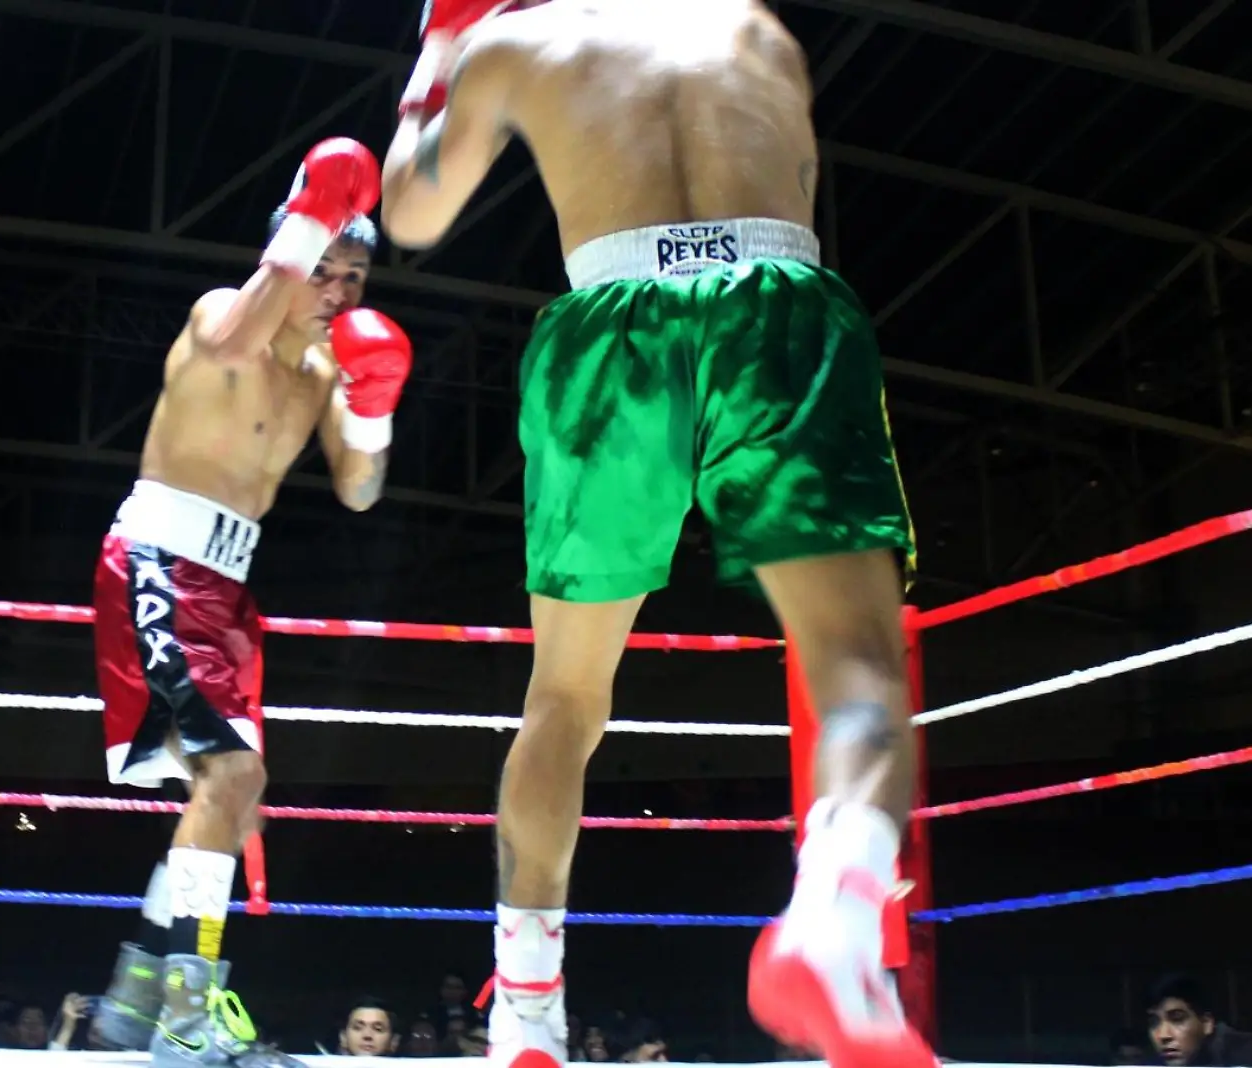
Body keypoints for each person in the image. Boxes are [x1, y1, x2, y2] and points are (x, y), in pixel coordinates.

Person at [378, 4, 926, 1068]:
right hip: (774, 303)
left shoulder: (512, 45)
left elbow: (408, 213)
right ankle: (835, 918)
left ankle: (526, 1016)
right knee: (856, 665)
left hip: (609, 324)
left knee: (565, 699)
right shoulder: (761, 35)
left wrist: (434, 62)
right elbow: (794, 194)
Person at [86, 135, 416, 1068]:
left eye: (353, 276)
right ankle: (186, 1016)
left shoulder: (323, 373)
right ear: (290, 257)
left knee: (235, 794)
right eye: (322, 269)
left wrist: (377, 397)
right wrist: (309, 215)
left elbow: (358, 489)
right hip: (159, 555)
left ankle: (131, 998)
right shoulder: (221, 317)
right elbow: (238, 329)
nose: (338, 291)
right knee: (228, 779)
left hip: (228, 590)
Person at [1143, 974, 1252, 1067]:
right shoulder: (1149, 1064)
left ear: (1207, 1023)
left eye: (1177, 1019)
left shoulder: (1248, 1055)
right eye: (1154, 1022)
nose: (1163, 1035)